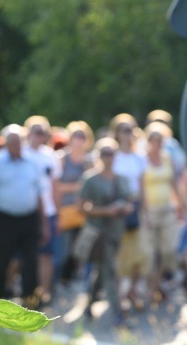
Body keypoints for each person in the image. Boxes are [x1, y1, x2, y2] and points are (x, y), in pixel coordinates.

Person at [0, 124, 47, 308]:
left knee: (31, 260)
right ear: (6, 143)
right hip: (5, 218)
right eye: (12, 142)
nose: (16, 146)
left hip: (29, 218)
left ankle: (31, 299)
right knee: (1, 260)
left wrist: (44, 224)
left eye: (19, 142)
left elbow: (39, 194)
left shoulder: (32, 162)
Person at [79, 138, 133, 325]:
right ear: (99, 156)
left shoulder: (121, 179)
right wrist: (105, 210)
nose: (108, 158)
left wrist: (125, 208)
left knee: (102, 271)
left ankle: (89, 303)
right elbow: (80, 207)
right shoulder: (91, 179)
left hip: (116, 231)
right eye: (105, 153)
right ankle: (118, 314)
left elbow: (129, 201)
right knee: (109, 270)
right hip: (99, 233)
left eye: (111, 153)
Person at [140, 121, 185, 303]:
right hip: (149, 210)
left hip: (167, 209)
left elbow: (173, 181)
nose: (157, 143)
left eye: (160, 140)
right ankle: (154, 289)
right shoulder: (142, 159)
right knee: (152, 254)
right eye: (154, 139)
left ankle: (161, 283)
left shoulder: (167, 157)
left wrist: (182, 203)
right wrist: (145, 211)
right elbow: (141, 187)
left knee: (168, 250)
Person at [110, 114, 148, 308]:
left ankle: (132, 291)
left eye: (130, 129)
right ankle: (117, 296)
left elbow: (142, 188)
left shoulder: (139, 157)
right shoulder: (112, 156)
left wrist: (144, 211)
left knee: (139, 255)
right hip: (116, 211)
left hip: (134, 209)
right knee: (117, 254)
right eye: (124, 129)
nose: (127, 134)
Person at [24, 116, 63, 305]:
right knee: (26, 254)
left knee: (47, 255)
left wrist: (58, 212)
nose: (39, 136)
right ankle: (27, 291)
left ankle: (44, 293)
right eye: (36, 132)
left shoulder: (51, 156)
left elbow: (55, 187)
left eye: (42, 133)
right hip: (26, 211)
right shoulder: (21, 153)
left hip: (47, 211)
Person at [55, 121, 95, 283]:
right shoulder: (61, 158)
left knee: (85, 248)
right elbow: (57, 187)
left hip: (85, 210)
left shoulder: (90, 160)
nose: (79, 140)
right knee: (64, 250)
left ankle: (82, 282)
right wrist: (78, 186)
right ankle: (61, 280)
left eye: (82, 136)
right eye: (76, 136)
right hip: (66, 209)